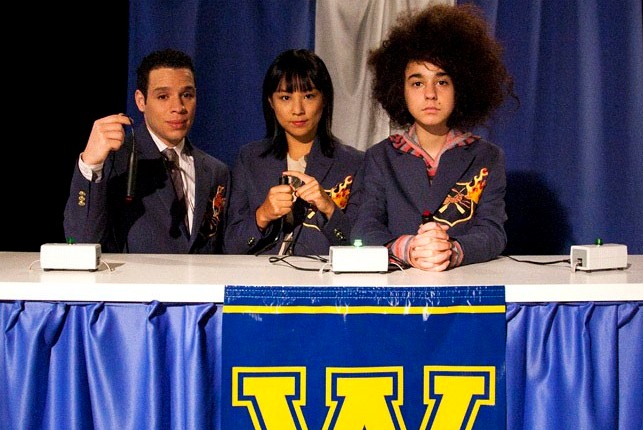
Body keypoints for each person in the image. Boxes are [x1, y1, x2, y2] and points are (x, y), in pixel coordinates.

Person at [349, 3, 517, 271]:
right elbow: (364, 228)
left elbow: (493, 233)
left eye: (441, 82)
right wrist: (408, 248)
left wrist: (452, 251)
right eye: (417, 83)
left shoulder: (487, 157)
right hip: (398, 288)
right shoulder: (380, 157)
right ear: (399, 90)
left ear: (461, 87)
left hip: (463, 287)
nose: (430, 94)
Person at [64, 48, 229, 253]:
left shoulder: (215, 171)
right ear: (141, 101)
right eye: (163, 96)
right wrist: (90, 165)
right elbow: (80, 242)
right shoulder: (115, 161)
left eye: (187, 95)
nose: (178, 107)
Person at [224, 49, 363, 256]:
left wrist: (329, 208)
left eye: (308, 96)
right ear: (271, 102)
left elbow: (362, 246)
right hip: (261, 274)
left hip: (321, 275)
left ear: (324, 99)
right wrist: (263, 215)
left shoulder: (353, 162)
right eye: (285, 97)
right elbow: (231, 247)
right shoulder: (249, 159)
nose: (297, 110)